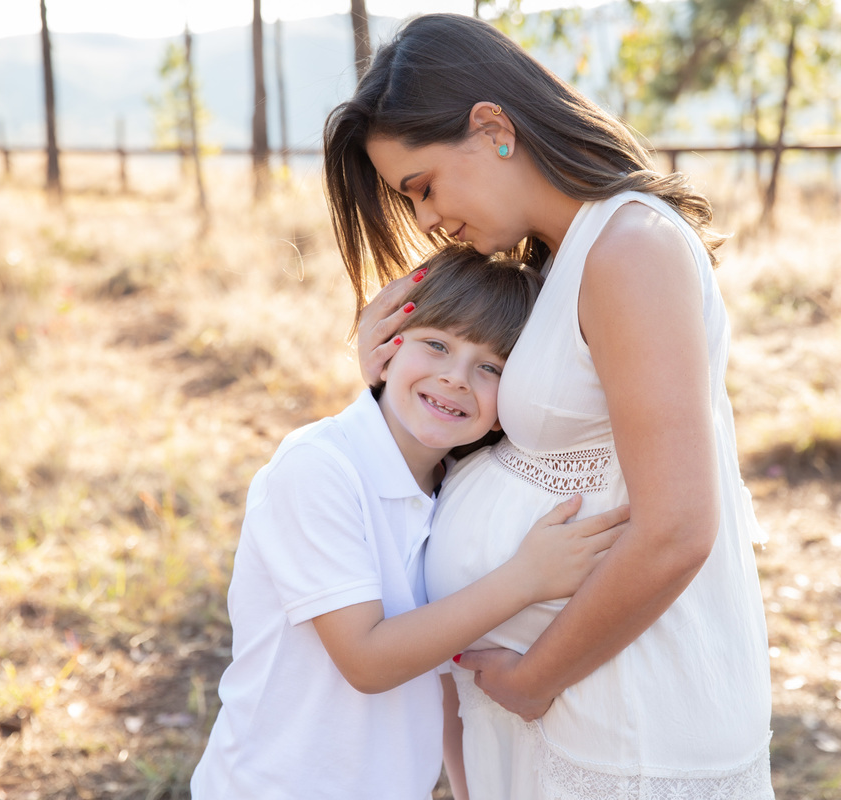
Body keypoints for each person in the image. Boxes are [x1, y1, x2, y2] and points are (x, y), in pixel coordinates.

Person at [323, 12, 774, 800]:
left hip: (618, 712)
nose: (426, 219)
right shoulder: (566, 256)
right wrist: (383, 385)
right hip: (562, 702)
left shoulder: (629, 250)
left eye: (423, 186)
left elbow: (675, 529)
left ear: (493, 128)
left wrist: (535, 678)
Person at [189, 243, 629, 800]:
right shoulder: (319, 468)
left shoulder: (458, 492)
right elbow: (368, 661)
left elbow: (441, 675)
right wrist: (525, 579)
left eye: (491, 366)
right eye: (436, 344)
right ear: (389, 345)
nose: (456, 378)